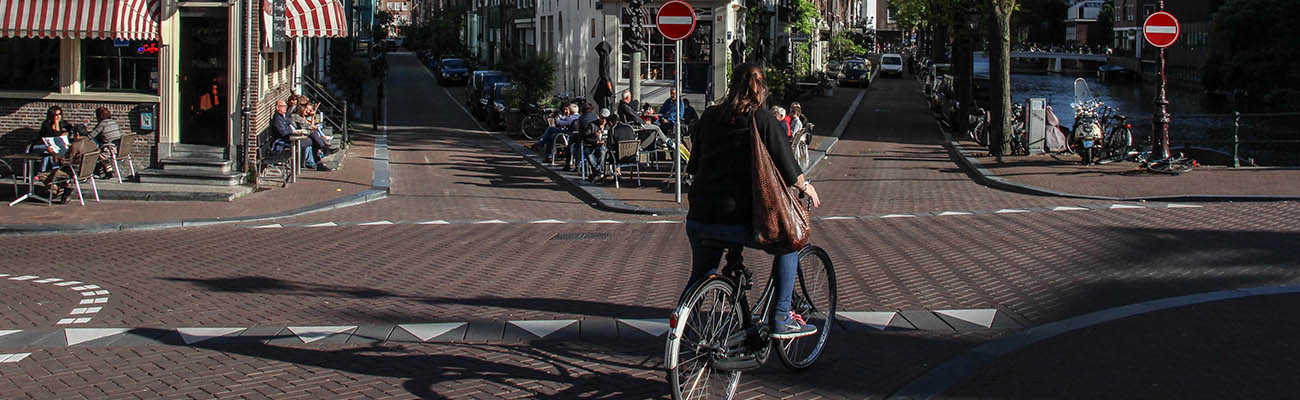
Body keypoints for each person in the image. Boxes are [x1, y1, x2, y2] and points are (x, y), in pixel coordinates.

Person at [683, 63, 822, 339]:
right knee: (788, 244)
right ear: (761, 89)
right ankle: (782, 318)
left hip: (701, 217)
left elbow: (693, 165)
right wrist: (806, 187)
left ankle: (685, 328)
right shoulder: (762, 119)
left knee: (700, 274)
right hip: (742, 219)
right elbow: (787, 165)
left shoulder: (709, 117)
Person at [290, 101, 334, 171]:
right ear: (301, 109)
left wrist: (312, 116)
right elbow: (310, 127)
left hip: (301, 136)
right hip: (294, 139)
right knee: (314, 138)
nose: (308, 111)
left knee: (314, 138)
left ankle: (324, 150)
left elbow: (311, 126)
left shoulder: (300, 117)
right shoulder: (296, 117)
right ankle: (324, 150)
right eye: (306, 110)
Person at [31, 105, 76, 172]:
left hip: (51, 148)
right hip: (41, 145)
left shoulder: (63, 123)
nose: (58, 116)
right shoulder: (46, 125)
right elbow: (56, 135)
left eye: (60, 114)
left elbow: (71, 129)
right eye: (56, 115)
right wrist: (56, 123)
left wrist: (66, 133)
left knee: (49, 152)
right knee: (50, 150)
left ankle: (44, 171)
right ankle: (53, 169)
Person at [87, 107, 123, 178]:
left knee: (94, 155)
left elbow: (91, 136)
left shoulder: (102, 124)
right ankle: (108, 171)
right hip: (119, 147)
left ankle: (97, 172)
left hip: (110, 148)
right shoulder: (113, 122)